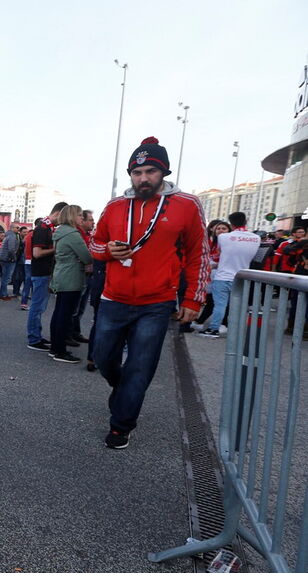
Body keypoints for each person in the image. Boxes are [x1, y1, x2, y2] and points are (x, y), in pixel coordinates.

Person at [89, 136, 208, 449]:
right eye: (137, 172)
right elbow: (94, 243)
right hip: (113, 298)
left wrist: (195, 299)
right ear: (131, 174)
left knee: (140, 366)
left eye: (150, 172)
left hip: (156, 302)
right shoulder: (115, 206)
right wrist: (107, 252)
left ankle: (121, 425)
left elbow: (200, 254)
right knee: (103, 358)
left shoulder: (187, 204)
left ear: (163, 173)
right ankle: (124, 390)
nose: (143, 178)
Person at [201, 212, 260, 338]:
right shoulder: (256, 238)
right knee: (237, 306)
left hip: (223, 276)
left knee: (220, 306)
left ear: (231, 224)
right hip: (242, 277)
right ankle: (233, 331)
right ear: (246, 221)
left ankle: (213, 329)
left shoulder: (224, 237)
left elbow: (221, 254)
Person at [48, 205, 92, 363]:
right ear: (73, 217)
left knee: (59, 313)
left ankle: (55, 347)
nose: (82, 218)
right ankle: (60, 350)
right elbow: (87, 257)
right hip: (71, 277)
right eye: (80, 215)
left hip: (62, 275)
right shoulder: (73, 235)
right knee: (65, 315)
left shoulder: (60, 232)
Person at [26, 202, 66, 350]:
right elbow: (37, 253)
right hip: (41, 272)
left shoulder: (46, 227)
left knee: (39, 307)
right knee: (37, 307)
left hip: (43, 272)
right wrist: (56, 249)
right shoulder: (43, 228)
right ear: (59, 213)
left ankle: (36, 336)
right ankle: (34, 339)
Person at [70, 209, 95, 343]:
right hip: (80, 274)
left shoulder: (89, 235)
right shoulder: (76, 235)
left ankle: (75, 331)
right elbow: (83, 255)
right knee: (74, 307)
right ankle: (69, 334)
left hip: (89, 274)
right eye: (90, 220)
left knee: (81, 307)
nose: (93, 222)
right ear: (83, 221)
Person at [0, 224, 20, 300]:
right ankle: (3, 295)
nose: (18, 229)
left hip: (4, 258)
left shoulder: (7, 235)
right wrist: (14, 258)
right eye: (17, 227)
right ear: (12, 228)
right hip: (8, 259)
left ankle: (3, 293)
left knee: (5, 277)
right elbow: (11, 249)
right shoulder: (12, 236)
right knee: (7, 278)